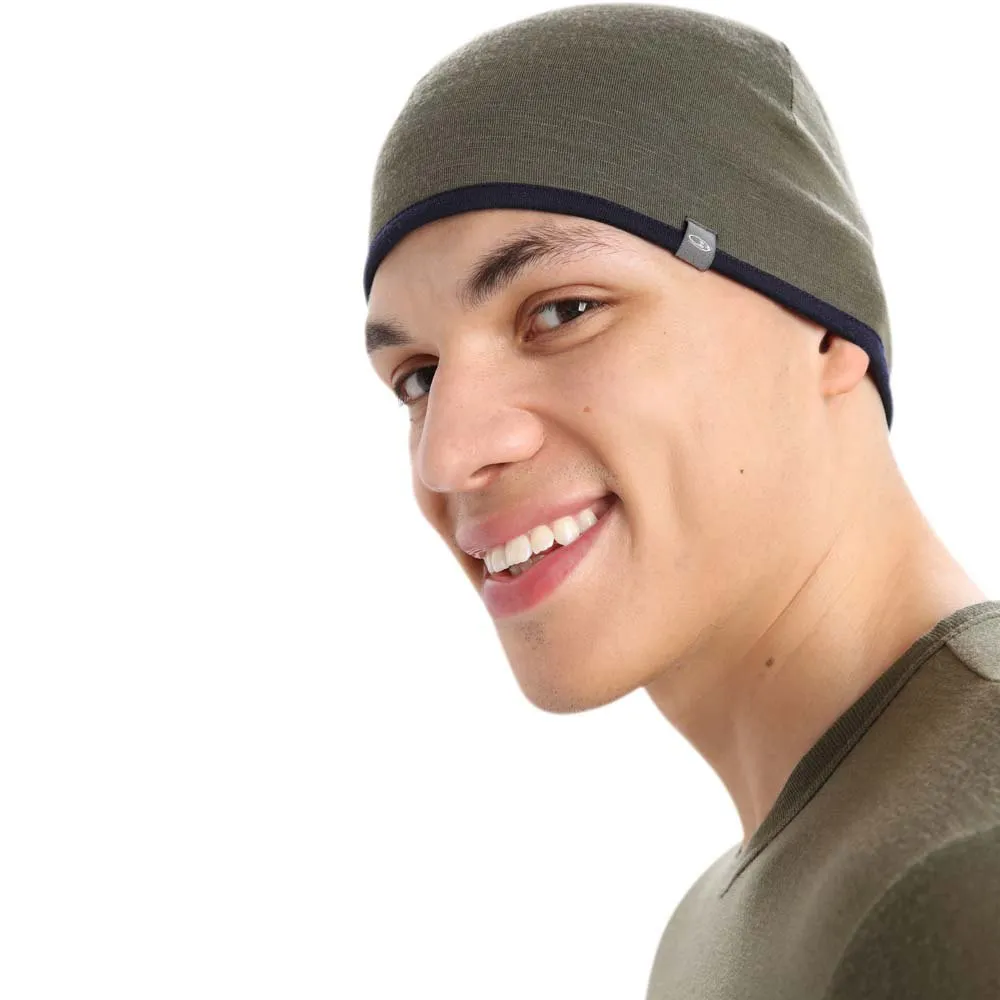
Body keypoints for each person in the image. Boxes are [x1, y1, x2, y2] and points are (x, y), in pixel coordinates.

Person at [361, 4, 1000, 997]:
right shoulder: (730, 915)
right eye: (418, 377)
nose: (448, 454)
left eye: (563, 311)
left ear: (826, 329)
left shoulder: (966, 881)